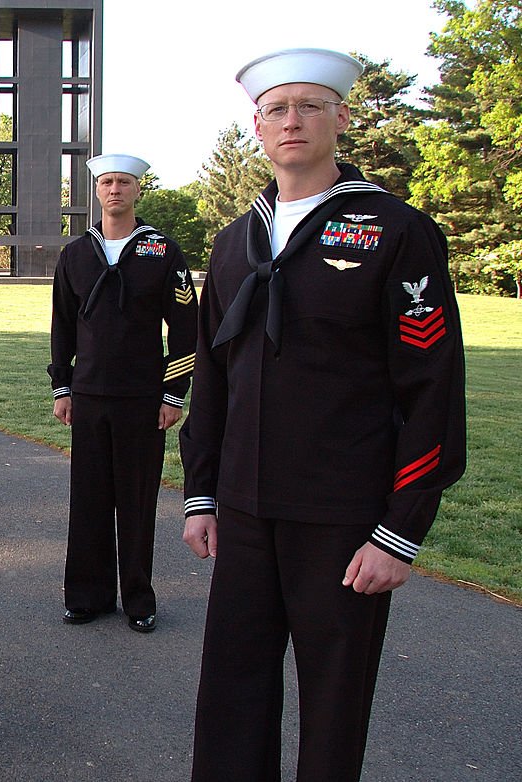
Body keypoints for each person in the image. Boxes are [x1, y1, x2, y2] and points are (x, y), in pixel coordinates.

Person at [179, 48, 466, 782]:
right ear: (258, 127)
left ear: (342, 117)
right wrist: (201, 492)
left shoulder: (395, 230)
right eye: (277, 109)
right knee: (231, 693)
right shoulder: (235, 241)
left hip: (343, 516)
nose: (292, 120)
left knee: (334, 705)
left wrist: (400, 532)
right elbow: (214, 376)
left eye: (310, 105)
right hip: (243, 509)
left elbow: (432, 388)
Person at [49, 153, 197, 633]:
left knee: (137, 502)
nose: (115, 189)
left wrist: (173, 393)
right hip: (89, 397)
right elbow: (62, 327)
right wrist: (62, 386)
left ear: (138, 189)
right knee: (88, 500)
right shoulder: (75, 254)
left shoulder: (163, 251)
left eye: (125, 182)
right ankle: (87, 596)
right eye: (107, 182)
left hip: (142, 400)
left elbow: (185, 327)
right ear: (96, 191)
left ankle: (138, 597)